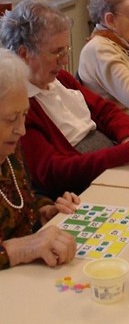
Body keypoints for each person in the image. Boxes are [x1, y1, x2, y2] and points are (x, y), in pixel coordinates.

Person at [0, 0, 129, 198]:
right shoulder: (19, 107)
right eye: (57, 52)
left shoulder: (60, 79)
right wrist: (127, 152)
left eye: (65, 50)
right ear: (24, 54)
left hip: (114, 164)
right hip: (87, 187)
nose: (65, 60)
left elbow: (107, 111)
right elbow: (52, 171)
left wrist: (126, 138)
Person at [0, 48, 77, 270]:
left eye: (24, 115)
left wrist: (45, 211)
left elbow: (23, 198)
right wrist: (19, 249)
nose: (22, 130)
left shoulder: (10, 148)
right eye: (11, 119)